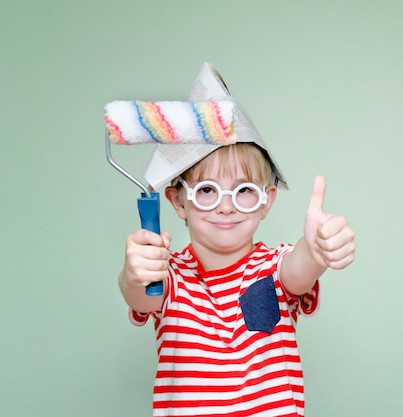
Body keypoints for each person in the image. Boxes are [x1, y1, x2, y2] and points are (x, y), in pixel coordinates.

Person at [116, 64, 355, 417]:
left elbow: (298, 271)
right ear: (178, 201)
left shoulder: (273, 270)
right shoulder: (170, 277)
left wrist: (317, 251)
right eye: (207, 191)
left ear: (267, 201)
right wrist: (134, 273)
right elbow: (140, 295)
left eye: (243, 191)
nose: (225, 207)